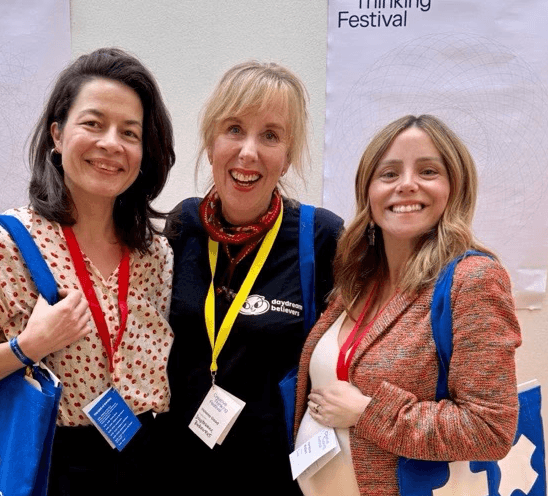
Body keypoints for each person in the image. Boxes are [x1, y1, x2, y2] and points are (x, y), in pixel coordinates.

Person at [0, 47, 175, 495]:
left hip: (144, 460)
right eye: (93, 124)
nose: (111, 143)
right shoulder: (1, 245)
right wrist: (26, 347)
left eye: (129, 133)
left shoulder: (155, 256)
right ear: (57, 134)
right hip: (50, 464)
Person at [293, 114, 521, 496]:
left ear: (455, 187)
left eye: (428, 171)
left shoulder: (473, 280)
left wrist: (368, 412)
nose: (407, 185)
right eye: (389, 174)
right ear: (368, 190)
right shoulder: (357, 280)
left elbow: (490, 429)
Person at [155, 61, 343, 495]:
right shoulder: (183, 224)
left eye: (270, 135)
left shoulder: (323, 237)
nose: (248, 152)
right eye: (234, 129)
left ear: (288, 156)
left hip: (278, 476)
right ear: (211, 139)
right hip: (182, 468)